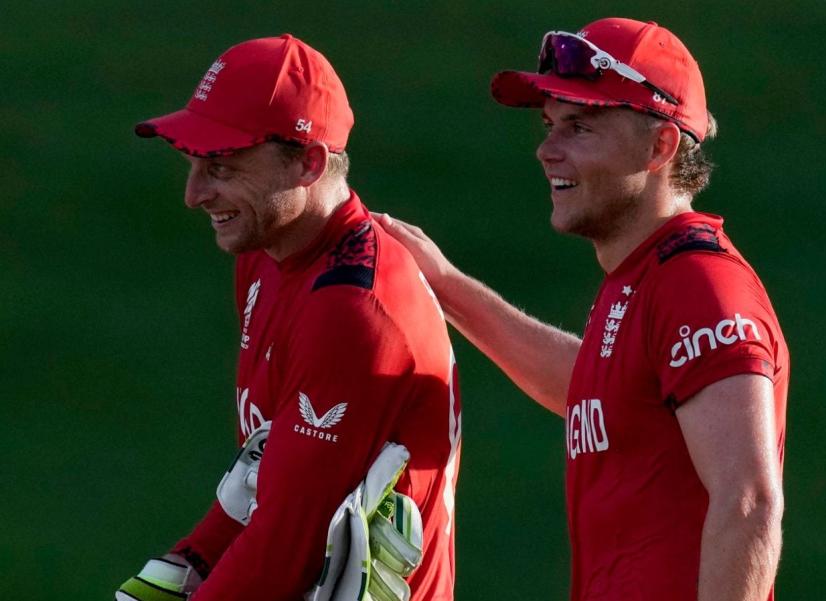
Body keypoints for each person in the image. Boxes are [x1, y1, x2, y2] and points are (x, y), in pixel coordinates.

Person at [378, 18, 788, 601]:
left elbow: (747, 501)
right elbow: (596, 384)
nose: (547, 149)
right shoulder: (646, 277)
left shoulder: (697, 282)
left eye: (580, 126)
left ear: (660, 145)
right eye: (549, 125)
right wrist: (445, 286)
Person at [118, 34, 461, 601]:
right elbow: (259, 484)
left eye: (222, 166)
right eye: (193, 162)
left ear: (308, 163)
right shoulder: (264, 249)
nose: (194, 193)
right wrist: (190, 561)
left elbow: (284, 550)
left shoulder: (353, 311)